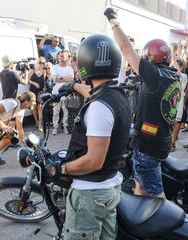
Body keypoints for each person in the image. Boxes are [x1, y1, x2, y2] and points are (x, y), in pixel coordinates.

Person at [45, 34, 131, 240]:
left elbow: (93, 161)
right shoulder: (117, 93)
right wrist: (73, 86)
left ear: (85, 64)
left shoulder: (99, 107)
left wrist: (60, 169)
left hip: (90, 194)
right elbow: (95, 93)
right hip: (108, 187)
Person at [104, 8, 181, 199]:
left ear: (148, 57)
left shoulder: (154, 75)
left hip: (148, 146)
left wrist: (113, 21)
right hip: (161, 140)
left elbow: (126, 49)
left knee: (156, 194)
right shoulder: (173, 77)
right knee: (140, 186)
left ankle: (165, 226)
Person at [0, 91, 36, 166]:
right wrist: (3, 127)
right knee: (9, 137)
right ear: (27, 101)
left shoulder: (21, 110)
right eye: (34, 101)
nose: (35, 104)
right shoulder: (13, 103)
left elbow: (20, 128)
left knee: (13, 135)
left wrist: (27, 148)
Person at [51, 50, 74, 135]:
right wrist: (65, 78)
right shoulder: (54, 67)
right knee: (55, 111)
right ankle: (55, 127)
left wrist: (60, 78)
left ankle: (65, 127)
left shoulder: (69, 68)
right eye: (60, 56)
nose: (61, 58)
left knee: (66, 111)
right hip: (56, 92)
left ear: (67, 57)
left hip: (66, 92)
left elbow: (71, 80)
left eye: (63, 56)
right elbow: (54, 79)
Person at [171, 58, 188, 152]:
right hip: (171, 101)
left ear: (181, 67)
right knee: (170, 123)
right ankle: (169, 142)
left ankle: (172, 144)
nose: (174, 68)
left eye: (176, 66)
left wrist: (174, 58)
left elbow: (179, 75)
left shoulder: (184, 76)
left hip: (179, 101)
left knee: (177, 123)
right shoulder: (170, 74)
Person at [28, 56, 46, 130]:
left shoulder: (44, 72)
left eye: (43, 63)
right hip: (33, 90)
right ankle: (36, 121)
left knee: (40, 106)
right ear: (37, 63)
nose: (41, 64)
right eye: (40, 62)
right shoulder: (32, 71)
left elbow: (45, 81)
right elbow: (27, 80)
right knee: (34, 106)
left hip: (40, 91)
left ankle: (40, 123)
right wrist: (34, 83)